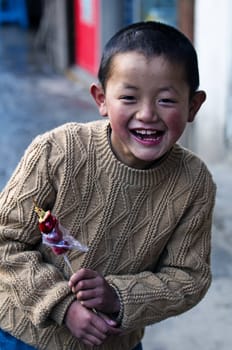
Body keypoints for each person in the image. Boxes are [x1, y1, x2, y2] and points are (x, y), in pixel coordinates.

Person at [0, 20, 216, 350]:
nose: (146, 114)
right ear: (101, 99)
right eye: (128, 97)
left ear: (193, 106)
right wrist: (63, 306)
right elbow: (5, 242)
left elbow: (189, 277)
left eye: (166, 101)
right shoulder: (59, 151)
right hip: (24, 335)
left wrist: (117, 296)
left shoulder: (193, 183)